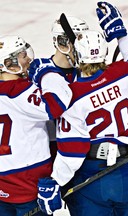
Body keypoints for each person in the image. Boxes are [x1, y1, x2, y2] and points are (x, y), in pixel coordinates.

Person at [36, 3, 128, 215]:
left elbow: (73, 150)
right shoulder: (125, 72)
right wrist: (121, 34)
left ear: (78, 55)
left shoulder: (72, 96)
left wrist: (56, 181)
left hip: (92, 176)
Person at [0, 35, 61, 216]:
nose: (28, 59)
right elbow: (57, 105)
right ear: (9, 63)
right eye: (22, 56)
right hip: (29, 180)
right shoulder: (21, 91)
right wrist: (48, 73)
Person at [28, 16, 89, 161]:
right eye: (80, 42)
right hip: (49, 150)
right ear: (62, 43)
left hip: (82, 149)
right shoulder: (38, 73)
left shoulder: (87, 70)